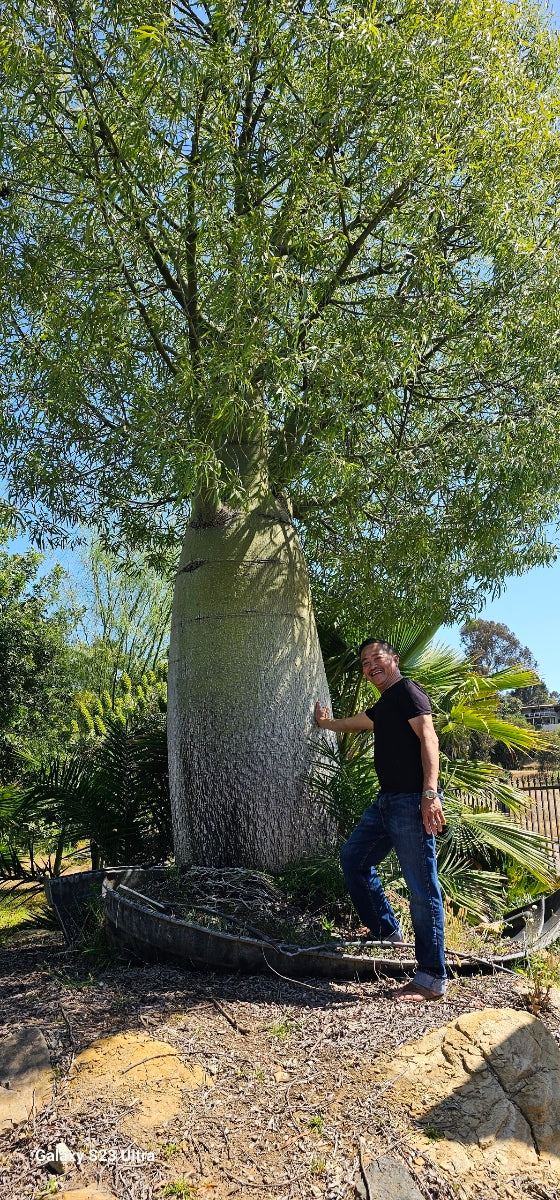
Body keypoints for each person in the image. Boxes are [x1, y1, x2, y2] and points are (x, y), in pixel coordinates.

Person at [315, 638, 447, 1002]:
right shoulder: (385, 703)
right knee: (354, 860)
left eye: (377, 658)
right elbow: (354, 724)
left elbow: (429, 738)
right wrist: (325, 723)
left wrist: (430, 794)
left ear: (394, 659)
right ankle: (387, 932)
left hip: (411, 802)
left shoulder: (407, 691)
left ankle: (432, 977)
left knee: (421, 889)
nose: (370, 665)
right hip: (386, 803)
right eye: (364, 661)